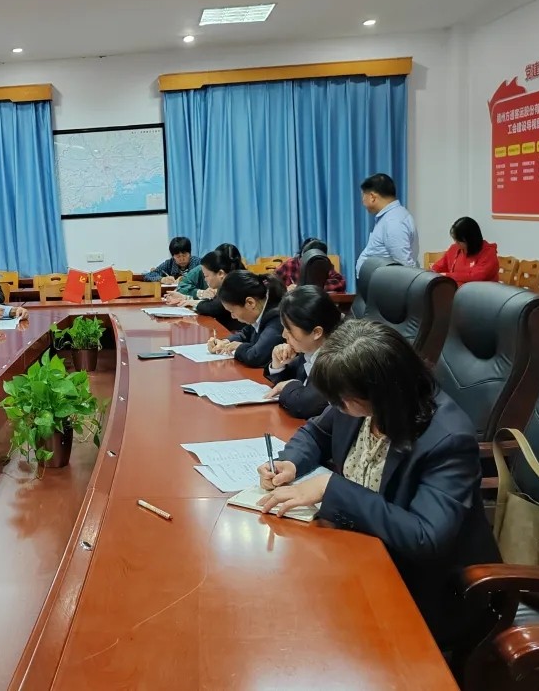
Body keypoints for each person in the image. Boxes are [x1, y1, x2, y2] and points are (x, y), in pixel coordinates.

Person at [256, 320, 499, 652]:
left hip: (423, 589)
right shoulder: (358, 403)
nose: (336, 407)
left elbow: (426, 538)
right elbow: (317, 432)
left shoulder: (447, 439)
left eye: (343, 400)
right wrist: (291, 463)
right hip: (355, 559)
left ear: (380, 394)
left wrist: (332, 489)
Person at [263, 286, 341, 418]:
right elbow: (289, 383)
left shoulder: (338, 357)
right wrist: (278, 365)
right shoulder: (309, 349)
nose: (283, 335)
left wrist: (288, 386)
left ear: (316, 332)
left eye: (289, 330)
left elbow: (305, 405)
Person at [207, 271, 285, 367]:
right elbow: (245, 334)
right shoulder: (262, 308)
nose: (232, 316)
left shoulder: (277, 318)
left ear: (250, 303)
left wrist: (239, 347)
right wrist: (225, 342)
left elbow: (256, 356)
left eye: (232, 311)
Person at [165, 247, 244, 332]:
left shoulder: (232, 287)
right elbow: (213, 302)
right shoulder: (228, 283)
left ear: (221, 273)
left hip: (235, 333)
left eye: (206, 276)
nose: (205, 280)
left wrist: (190, 302)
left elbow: (213, 307)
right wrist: (186, 298)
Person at [356, 173, 418, 274]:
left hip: (385, 283)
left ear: (372, 197)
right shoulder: (390, 217)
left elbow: (405, 266)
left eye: (363, 195)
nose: (363, 201)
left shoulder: (393, 221)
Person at [430, 217, 499, 285]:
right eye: (455, 239)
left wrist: (447, 275)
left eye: (459, 240)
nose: (456, 243)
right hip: (455, 289)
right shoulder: (454, 248)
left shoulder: (488, 253)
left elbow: (476, 276)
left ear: (470, 239)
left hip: (480, 290)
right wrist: (433, 272)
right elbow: (439, 266)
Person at [165, 243, 243, 301]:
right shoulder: (203, 268)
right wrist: (201, 293)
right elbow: (182, 287)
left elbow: (217, 306)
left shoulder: (242, 275)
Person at [273, 238, 346, 293]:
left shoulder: (324, 265)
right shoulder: (290, 264)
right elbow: (271, 283)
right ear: (303, 255)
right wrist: (286, 289)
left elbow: (341, 283)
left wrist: (305, 288)